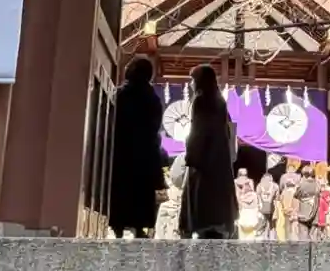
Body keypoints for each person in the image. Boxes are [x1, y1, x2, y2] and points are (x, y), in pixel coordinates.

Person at [109, 55, 166, 239]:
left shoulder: (119, 95)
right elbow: (154, 132)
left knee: (119, 205)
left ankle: (118, 231)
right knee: (140, 204)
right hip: (144, 160)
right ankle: (139, 231)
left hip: (119, 156)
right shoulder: (153, 100)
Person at [179, 63, 238, 239]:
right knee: (216, 208)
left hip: (202, 162)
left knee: (201, 205)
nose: (191, 84)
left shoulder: (200, 101)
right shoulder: (220, 102)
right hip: (219, 162)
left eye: (193, 80)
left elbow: (198, 132)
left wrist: (191, 155)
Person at [292, 158, 324, 244]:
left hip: (303, 214)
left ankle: (305, 252)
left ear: (304, 175)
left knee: (303, 238)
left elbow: (296, 196)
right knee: (314, 238)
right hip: (315, 214)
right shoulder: (318, 184)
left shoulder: (302, 185)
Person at [255, 153, 283, 239]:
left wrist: (259, 204)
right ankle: (271, 239)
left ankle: (264, 239)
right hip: (272, 207)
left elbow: (257, 196)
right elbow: (277, 198)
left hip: (262, 207)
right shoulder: (275, 186)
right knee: (272, 225)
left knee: (263, 223)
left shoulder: (259, 185)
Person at [275, 158, 302, 242]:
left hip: (288, 197)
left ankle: (289, 238)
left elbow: (281, 187)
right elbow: (300, 187)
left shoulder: (285, 176)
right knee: (293, 219)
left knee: (288, 219)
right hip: (293, 197)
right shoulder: (297, 176)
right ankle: (293, 238)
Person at [235, 167, 265, 240]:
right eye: (242, 175)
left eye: (245, 175)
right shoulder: (249, 182)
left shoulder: (237, 182)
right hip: (248, 210)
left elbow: (237, 195)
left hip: (243, 209)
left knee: (243, 231)